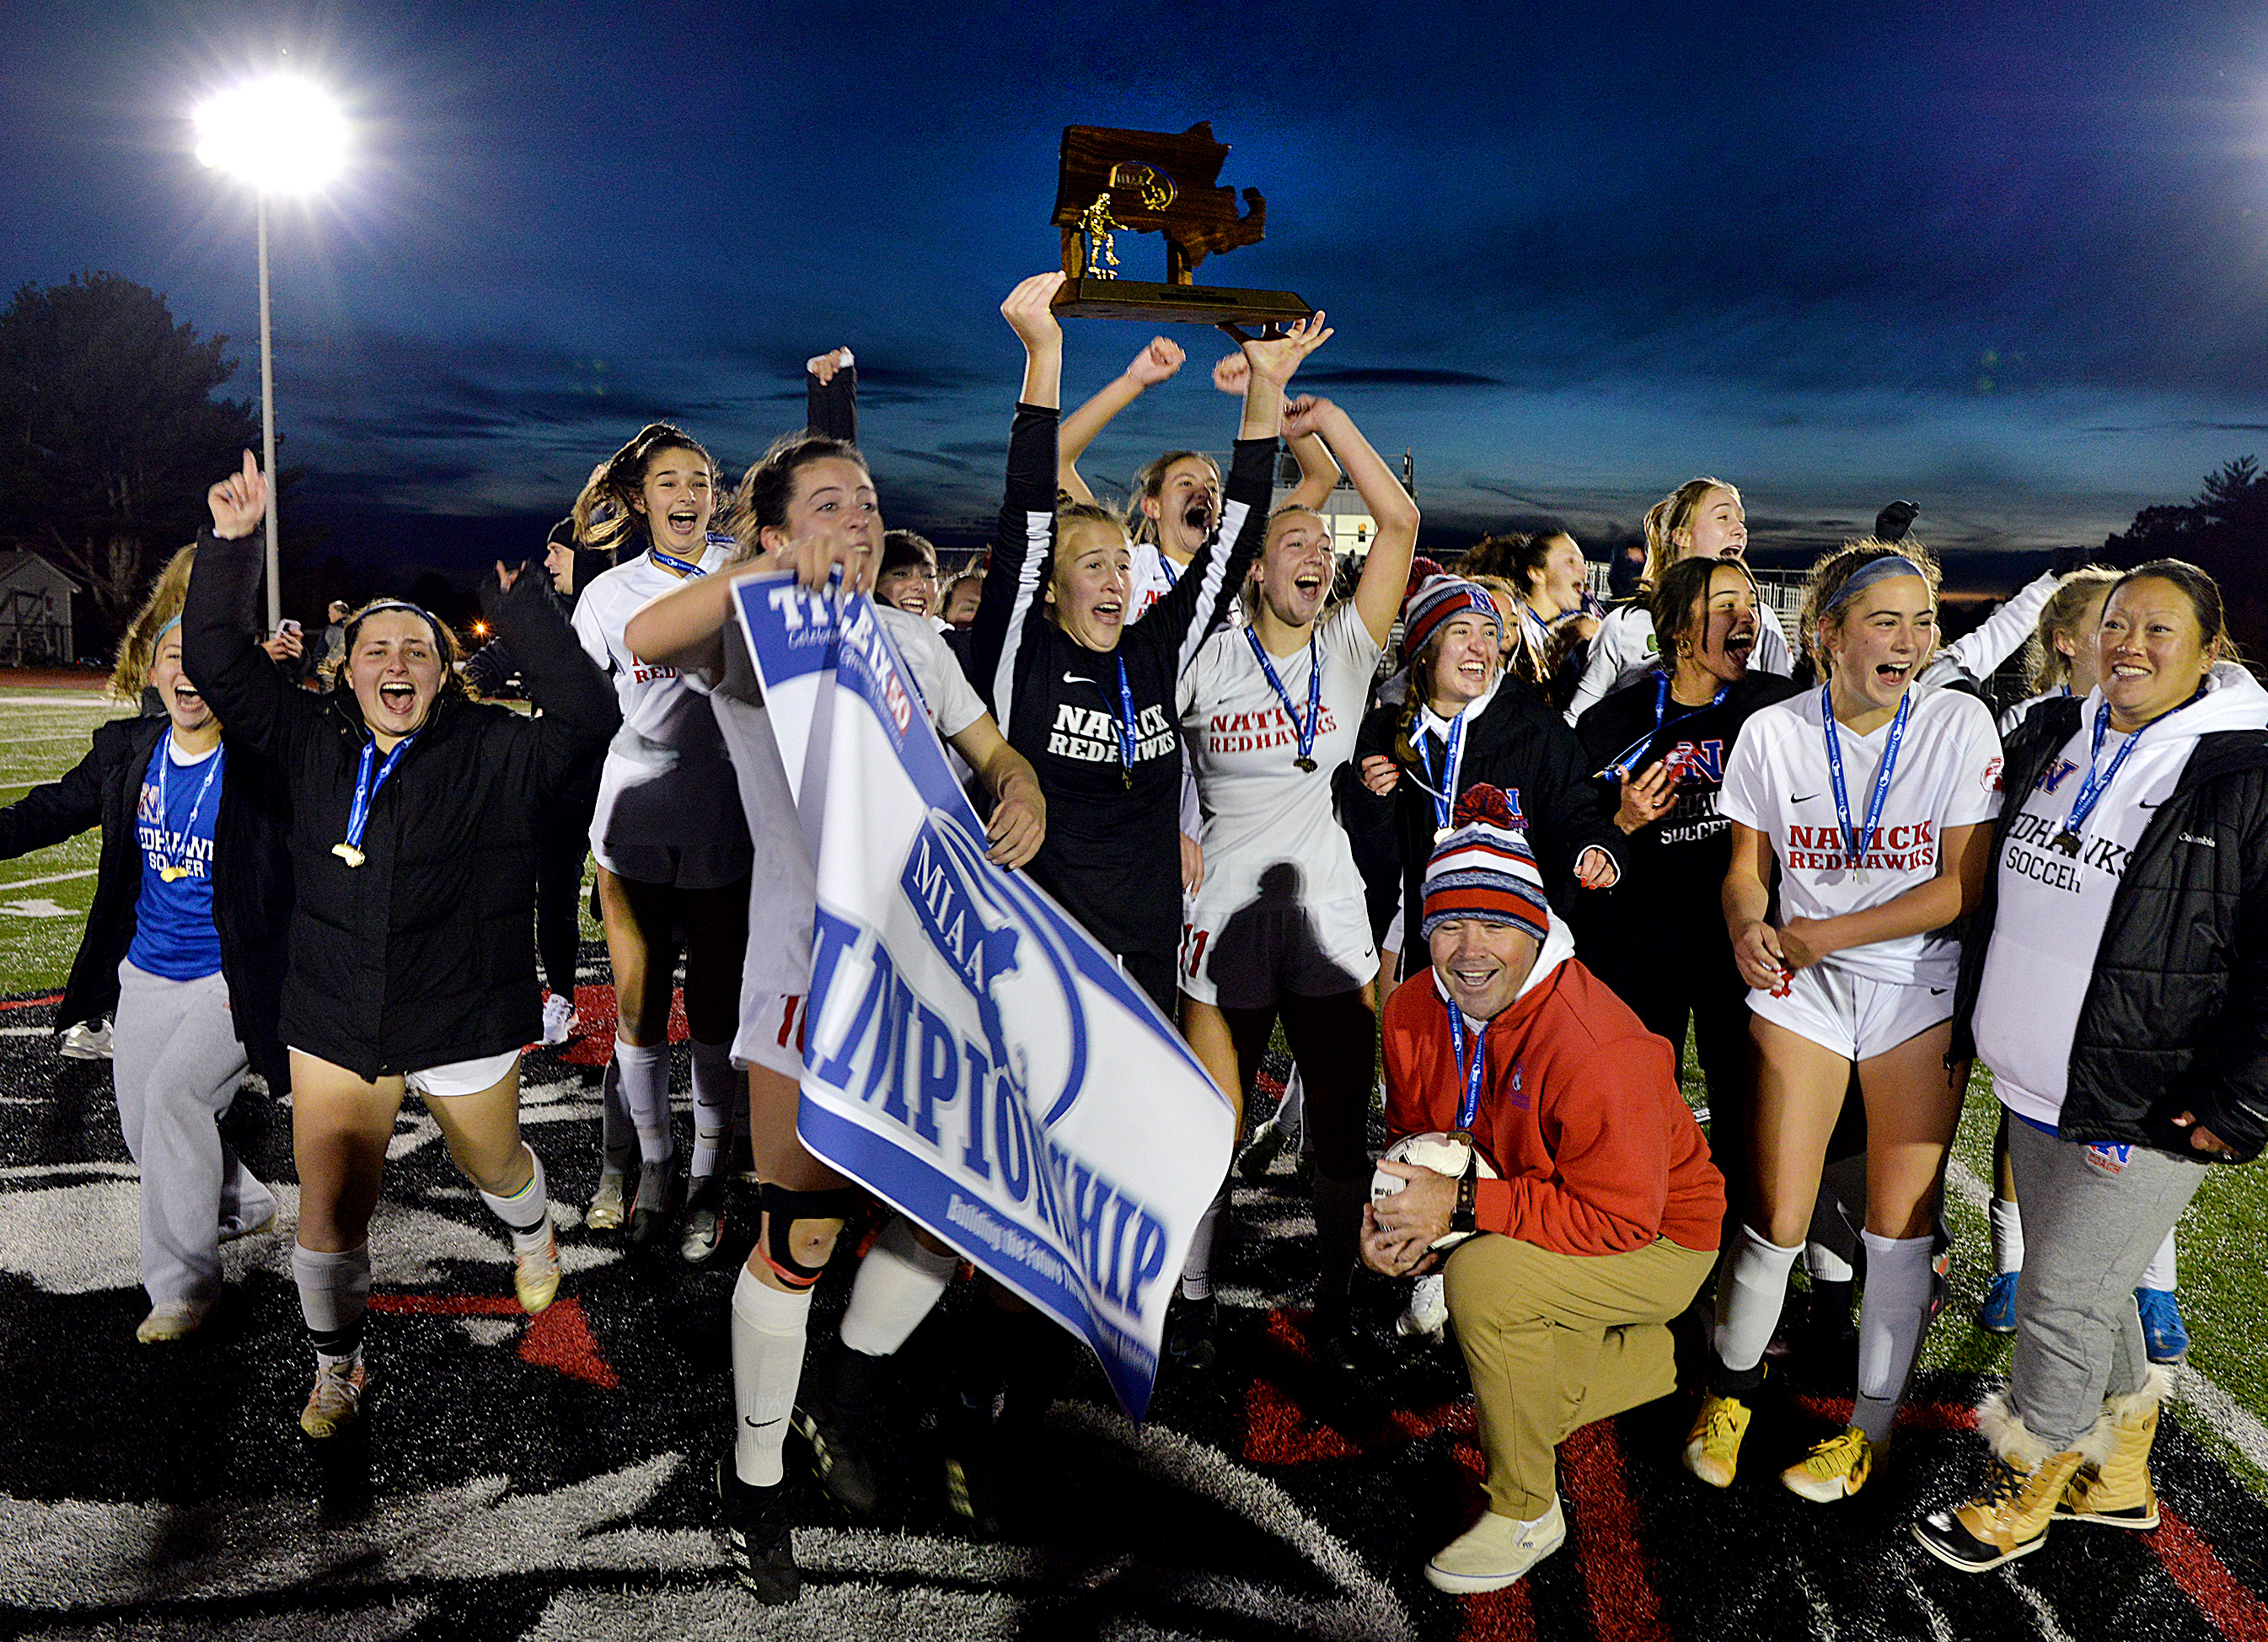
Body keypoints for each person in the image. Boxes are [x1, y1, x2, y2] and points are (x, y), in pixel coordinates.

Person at [622, 416, 1045, 1604]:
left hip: (932, 975)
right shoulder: (753, 628)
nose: (856, 522)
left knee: (943, 1222)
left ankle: (845, 1397)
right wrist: (757, 574)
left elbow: (996, 757)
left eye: (865, 505)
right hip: (809, 976)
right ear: (770, 532)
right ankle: (752, 1480)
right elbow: (647, 633)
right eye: (827, 507)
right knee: (802, 1235)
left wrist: (1021, 796)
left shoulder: (917, 634)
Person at [184, 451, 619, 1439]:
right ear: (347, 667)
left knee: (496, 1161)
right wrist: (231, 547)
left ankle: (531, 1225)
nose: (396, 665)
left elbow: (591, 716)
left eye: (416, 651)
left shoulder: (497, 747)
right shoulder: (305, 736)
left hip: (458, 1004)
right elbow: (214, 659)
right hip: (338, 1005)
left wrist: (527, 617)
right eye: (377, 649)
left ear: (445, 673)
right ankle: (340, 1367)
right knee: (329, 1213)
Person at [1915, 560, 2268, 1571]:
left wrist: (2239, 1102)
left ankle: (2026, 1479)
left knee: (2061, 1296)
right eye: (2118, 624)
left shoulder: (2245, 770)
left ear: (2210, 650)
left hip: (2149, 1097)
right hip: (2034, 1083)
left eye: (2161, 631)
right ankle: (2116, 1478)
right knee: (2097, 1292)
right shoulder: (2052, 734)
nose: (2132, 645)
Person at [1687, 540, 2002, 1500]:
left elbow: (1958, 887)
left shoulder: (1958, 722)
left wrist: (1827, 930)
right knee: (1778, 1215)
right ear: (1828, 636)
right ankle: (1732, 1388)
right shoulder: (1775, 732)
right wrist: (1749, 927)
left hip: (1915, 985)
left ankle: (1868, 1431)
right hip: (1805, 984)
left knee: (1896, 1228)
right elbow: (1747, 870)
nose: (1911, 641)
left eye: (1923, 622)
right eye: (1885, 622)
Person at [1364, 785, 1723, 1594]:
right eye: (1449, 924)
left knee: (1484, 1287)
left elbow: (1621, 1221)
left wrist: (1456, 1215)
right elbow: (1419, 1143)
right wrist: (1394, 1219)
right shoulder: (1414, 1007)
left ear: (1535, 928)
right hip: (1549, 1203)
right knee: (1527, 1393)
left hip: (1661, 1235)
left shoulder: (1593, 1043)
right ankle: (1687, 1352)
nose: (1469, 949)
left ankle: (1525, 1510)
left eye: (1494, 923)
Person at [1174, 388, 1418, 1368]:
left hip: (1327, 920)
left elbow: (1397, 518)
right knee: (1210, 1127)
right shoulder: (1206, 656)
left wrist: (1327, 422)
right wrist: (1164, 828)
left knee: (1337, 1139)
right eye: (1294, 544)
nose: (1316, 556)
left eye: (1325, 546)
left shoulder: (1347, 652)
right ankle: (1189, 1292)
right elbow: (1141, 755)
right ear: (1252, 569)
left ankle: (1336, 1294)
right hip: (1221, 919)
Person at [0, 546, 292, 1343]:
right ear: (157, 672)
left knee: (174, 1103)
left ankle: (184, 1288)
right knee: (145, 1130)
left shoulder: (262, 759)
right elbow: (43, 814)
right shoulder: (126, 752)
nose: (189, 671)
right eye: (175, 656)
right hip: (146, 975)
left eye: (205, 657)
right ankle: (245, 1203)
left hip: (228, 979)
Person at [1574, 556, 1800, 1242]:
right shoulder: (1613, 722)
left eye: (1751, 603)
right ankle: (1646, 1226)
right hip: (1644, 940)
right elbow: (1575, 838)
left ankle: (1737, 1243)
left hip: (1742, 937)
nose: (1748, 617)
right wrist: (1620, 823)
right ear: (1677, 630)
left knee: (1746, 1097)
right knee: (1645, 1091)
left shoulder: (1777, 703)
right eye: (1724, 604)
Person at [570, 424, 753, 1257]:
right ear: (639, 499)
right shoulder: (608, 597)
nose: (689, 494)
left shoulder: (747, 571)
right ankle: (651, 1169)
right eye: (671, 481)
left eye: (702, 479)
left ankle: (712, 1177)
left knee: (716, 1016)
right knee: (640, 1014)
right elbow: (576, 718)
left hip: (729, 819)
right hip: (636, 824)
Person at [1353, 573, 1622, 974]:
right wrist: (1371, 799)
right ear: (1425, 650)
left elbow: (1577, 809)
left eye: (1490, 632)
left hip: (1522, 941)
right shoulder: (1388, 734)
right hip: (1435, 935)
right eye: (1462, 631)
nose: (1480, 646)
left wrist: (1595, 847)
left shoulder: (1536, 727)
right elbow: (1378, 861)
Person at [1057, 334, 1341, 619]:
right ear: (1152, 506)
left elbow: (1323, 476)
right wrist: (1133, 381)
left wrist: (1265, 389)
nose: (1203, 492)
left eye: (1213, 488)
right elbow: (1056, 458)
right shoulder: (1127, 564)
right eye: (1185, 483)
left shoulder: (1239, 563)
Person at [462, 514, 609, 1047]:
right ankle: (564, 995)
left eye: (558, 552)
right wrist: (462, 688)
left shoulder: (617, 607)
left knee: (631, 897)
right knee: (554, 888)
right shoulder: (547, 619)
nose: (548, 563)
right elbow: (489, 663)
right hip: (566, 777)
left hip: (625, 775)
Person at [1564, 479, 1794, 723]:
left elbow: (1785, 714)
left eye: (1741, 520)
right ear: (1682, 536)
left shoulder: (1760, 620)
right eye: (1723, 518)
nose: (1740, 530)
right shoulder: (1626, 624)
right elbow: (1579, 718)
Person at [875, 529, 946, 625]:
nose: (921, 586)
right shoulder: (853, 636)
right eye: (901, 574)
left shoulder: (944, 638)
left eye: (929, 576)